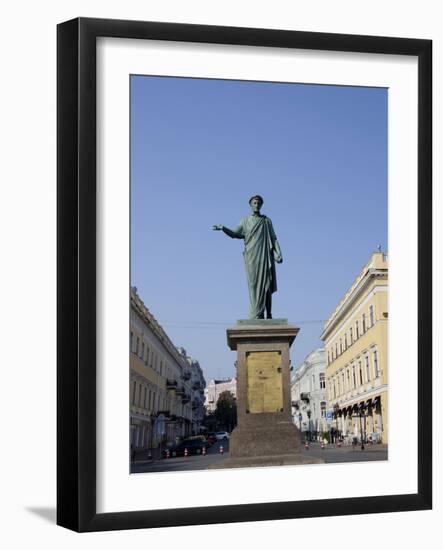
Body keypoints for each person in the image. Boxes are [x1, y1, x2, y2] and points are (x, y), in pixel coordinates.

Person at [213, 195, 283, 319]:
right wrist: (223, 228)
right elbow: (235, 234)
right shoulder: (245, 221)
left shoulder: (266, 221)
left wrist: (279, 252)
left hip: (264, 255)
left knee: (266, 284)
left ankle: (269, 314)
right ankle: (257, 313)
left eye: (258, 203)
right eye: (254, 203)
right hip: (251, 257)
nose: (256, 205)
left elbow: (274, 238)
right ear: (250, 205)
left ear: (261, 205)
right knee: (254, 285)